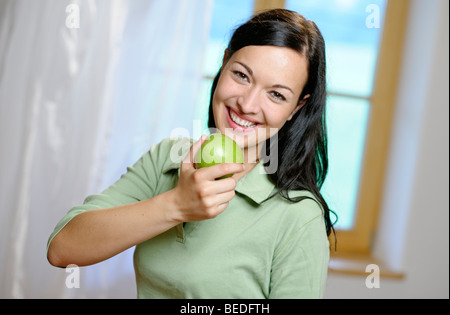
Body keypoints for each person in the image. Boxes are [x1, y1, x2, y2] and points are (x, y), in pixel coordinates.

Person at [47, 8, 335, 299]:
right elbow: (62, 249)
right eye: (241, 75)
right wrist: (176, 205)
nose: (247, 104)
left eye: (276, 94)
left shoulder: (299, 215)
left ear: (296, 108)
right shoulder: (167, 159)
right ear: (223, 63)